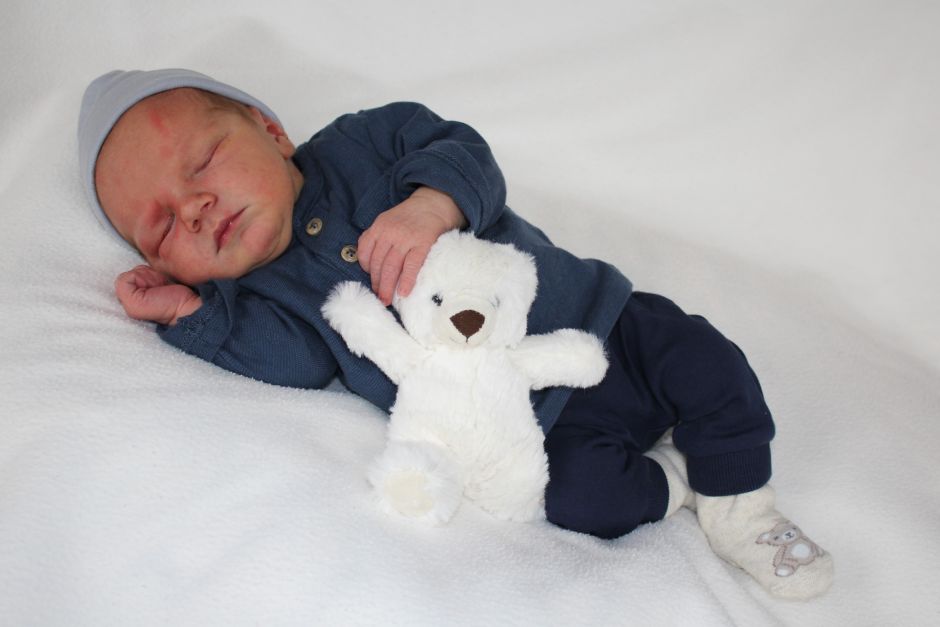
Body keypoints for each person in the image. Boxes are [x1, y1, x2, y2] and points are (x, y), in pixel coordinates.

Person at [78, 68, 833, 599]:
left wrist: (431, 205)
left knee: (703, 360)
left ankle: (739, 500)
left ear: (271, 131)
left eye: (204, 162)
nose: (197, 209)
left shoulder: (364, 140)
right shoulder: (259, 296)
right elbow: (297, 362)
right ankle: (677, 483)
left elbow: (464, 151)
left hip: (601, 321)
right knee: (586, 503)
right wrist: (189, 316)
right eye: (162, 226)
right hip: (536, 430)